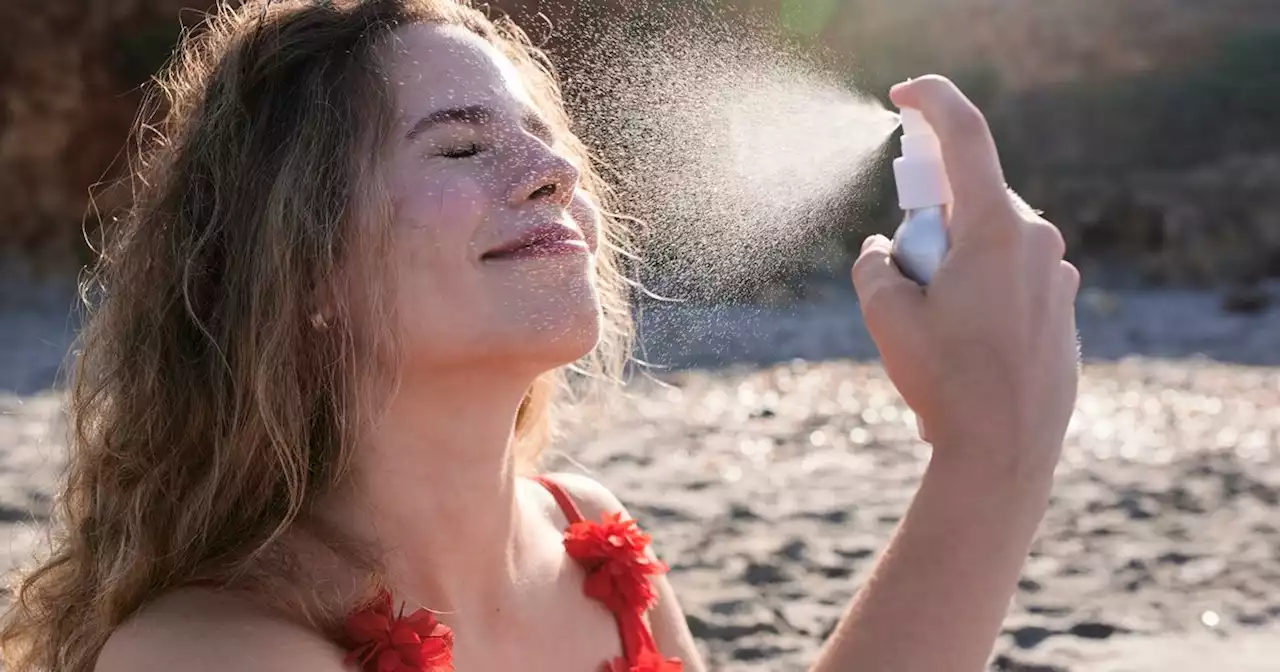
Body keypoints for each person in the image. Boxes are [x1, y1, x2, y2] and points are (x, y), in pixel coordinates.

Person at [0, 1, 1081, 670]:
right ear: (303, 265)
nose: (556, 172)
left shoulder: (594, 542)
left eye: (545, 138)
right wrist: (990, 452)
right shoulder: (210, 656)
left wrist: (990, 450)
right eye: (464, 146)